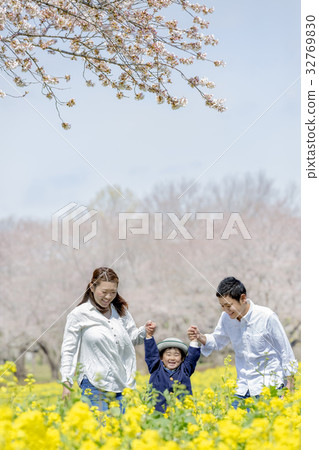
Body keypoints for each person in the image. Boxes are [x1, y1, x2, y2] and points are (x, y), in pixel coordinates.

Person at [188, 276, 298, 408]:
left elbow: (285, 351)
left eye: (229, 305)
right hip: (243, 387)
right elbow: (217, 340)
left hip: (269, 386)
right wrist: (200, 336)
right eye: (222, 306)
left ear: (243, 298)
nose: (226, 310)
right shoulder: (226, 318)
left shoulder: (266, 316)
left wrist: (290, 386)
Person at [60, 267, 155, 412]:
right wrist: (66, 383)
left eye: (113, 292)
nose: (108, 297)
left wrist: (145, 331)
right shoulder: (79, 314)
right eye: (104, 292)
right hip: (93, 383)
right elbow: (69, 350)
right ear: (92, 287)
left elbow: (131, 339)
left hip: (121, 383)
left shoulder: (120, 311)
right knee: (101, 430)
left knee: (121, 432)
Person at [145, 323, 201, 412]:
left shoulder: (185, 369)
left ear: (182, 358)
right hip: (158, 414)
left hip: (181, 414)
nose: (172, 358)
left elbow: (192, 358)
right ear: (161, 358)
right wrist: (149, 336)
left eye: (176, 355)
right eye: (168, 354)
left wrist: (194, 340)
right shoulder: (156, 367)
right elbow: (151, 355)